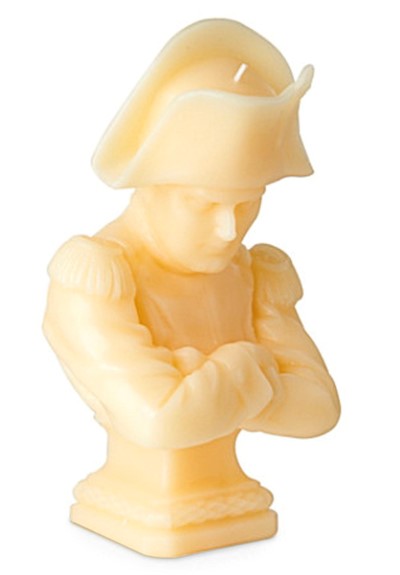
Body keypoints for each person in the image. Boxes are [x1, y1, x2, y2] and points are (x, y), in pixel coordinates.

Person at [43, 19, 340, 557]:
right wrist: (253, 368)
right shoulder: (95, 277)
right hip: (135, 501)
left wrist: (197, 376)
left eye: (248, 203)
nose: (229, 230)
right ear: (152, 186)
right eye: (203, 204)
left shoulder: (254, 272)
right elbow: (157, 418)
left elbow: (319, 408)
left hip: (236, 502)